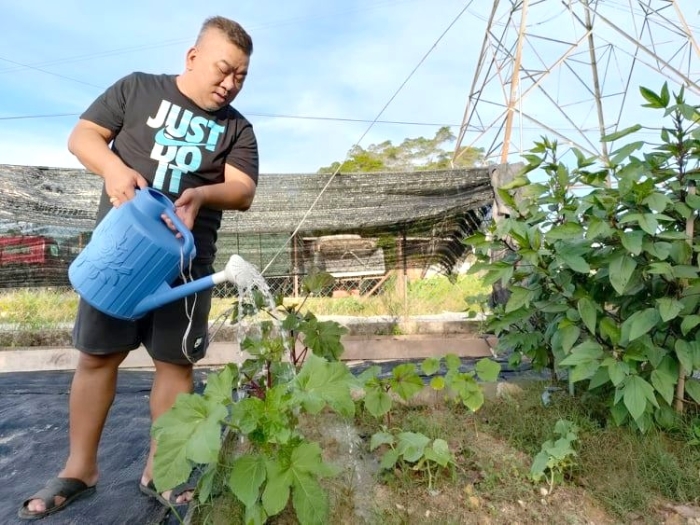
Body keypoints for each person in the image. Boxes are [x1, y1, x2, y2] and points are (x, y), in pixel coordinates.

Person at [18, 15, 259, 520]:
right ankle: (79, 469)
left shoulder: (237, 128)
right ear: (192, 58)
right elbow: (83, 135)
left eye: (240, 75)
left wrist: (201, 193)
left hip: (186, 266)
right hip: (120, 256)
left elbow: (242, 189)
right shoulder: (137, 89)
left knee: (175, 364)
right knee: (98, 355)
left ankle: (161, 473)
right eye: (223, 70)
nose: (229, 83)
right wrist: (112, 167)